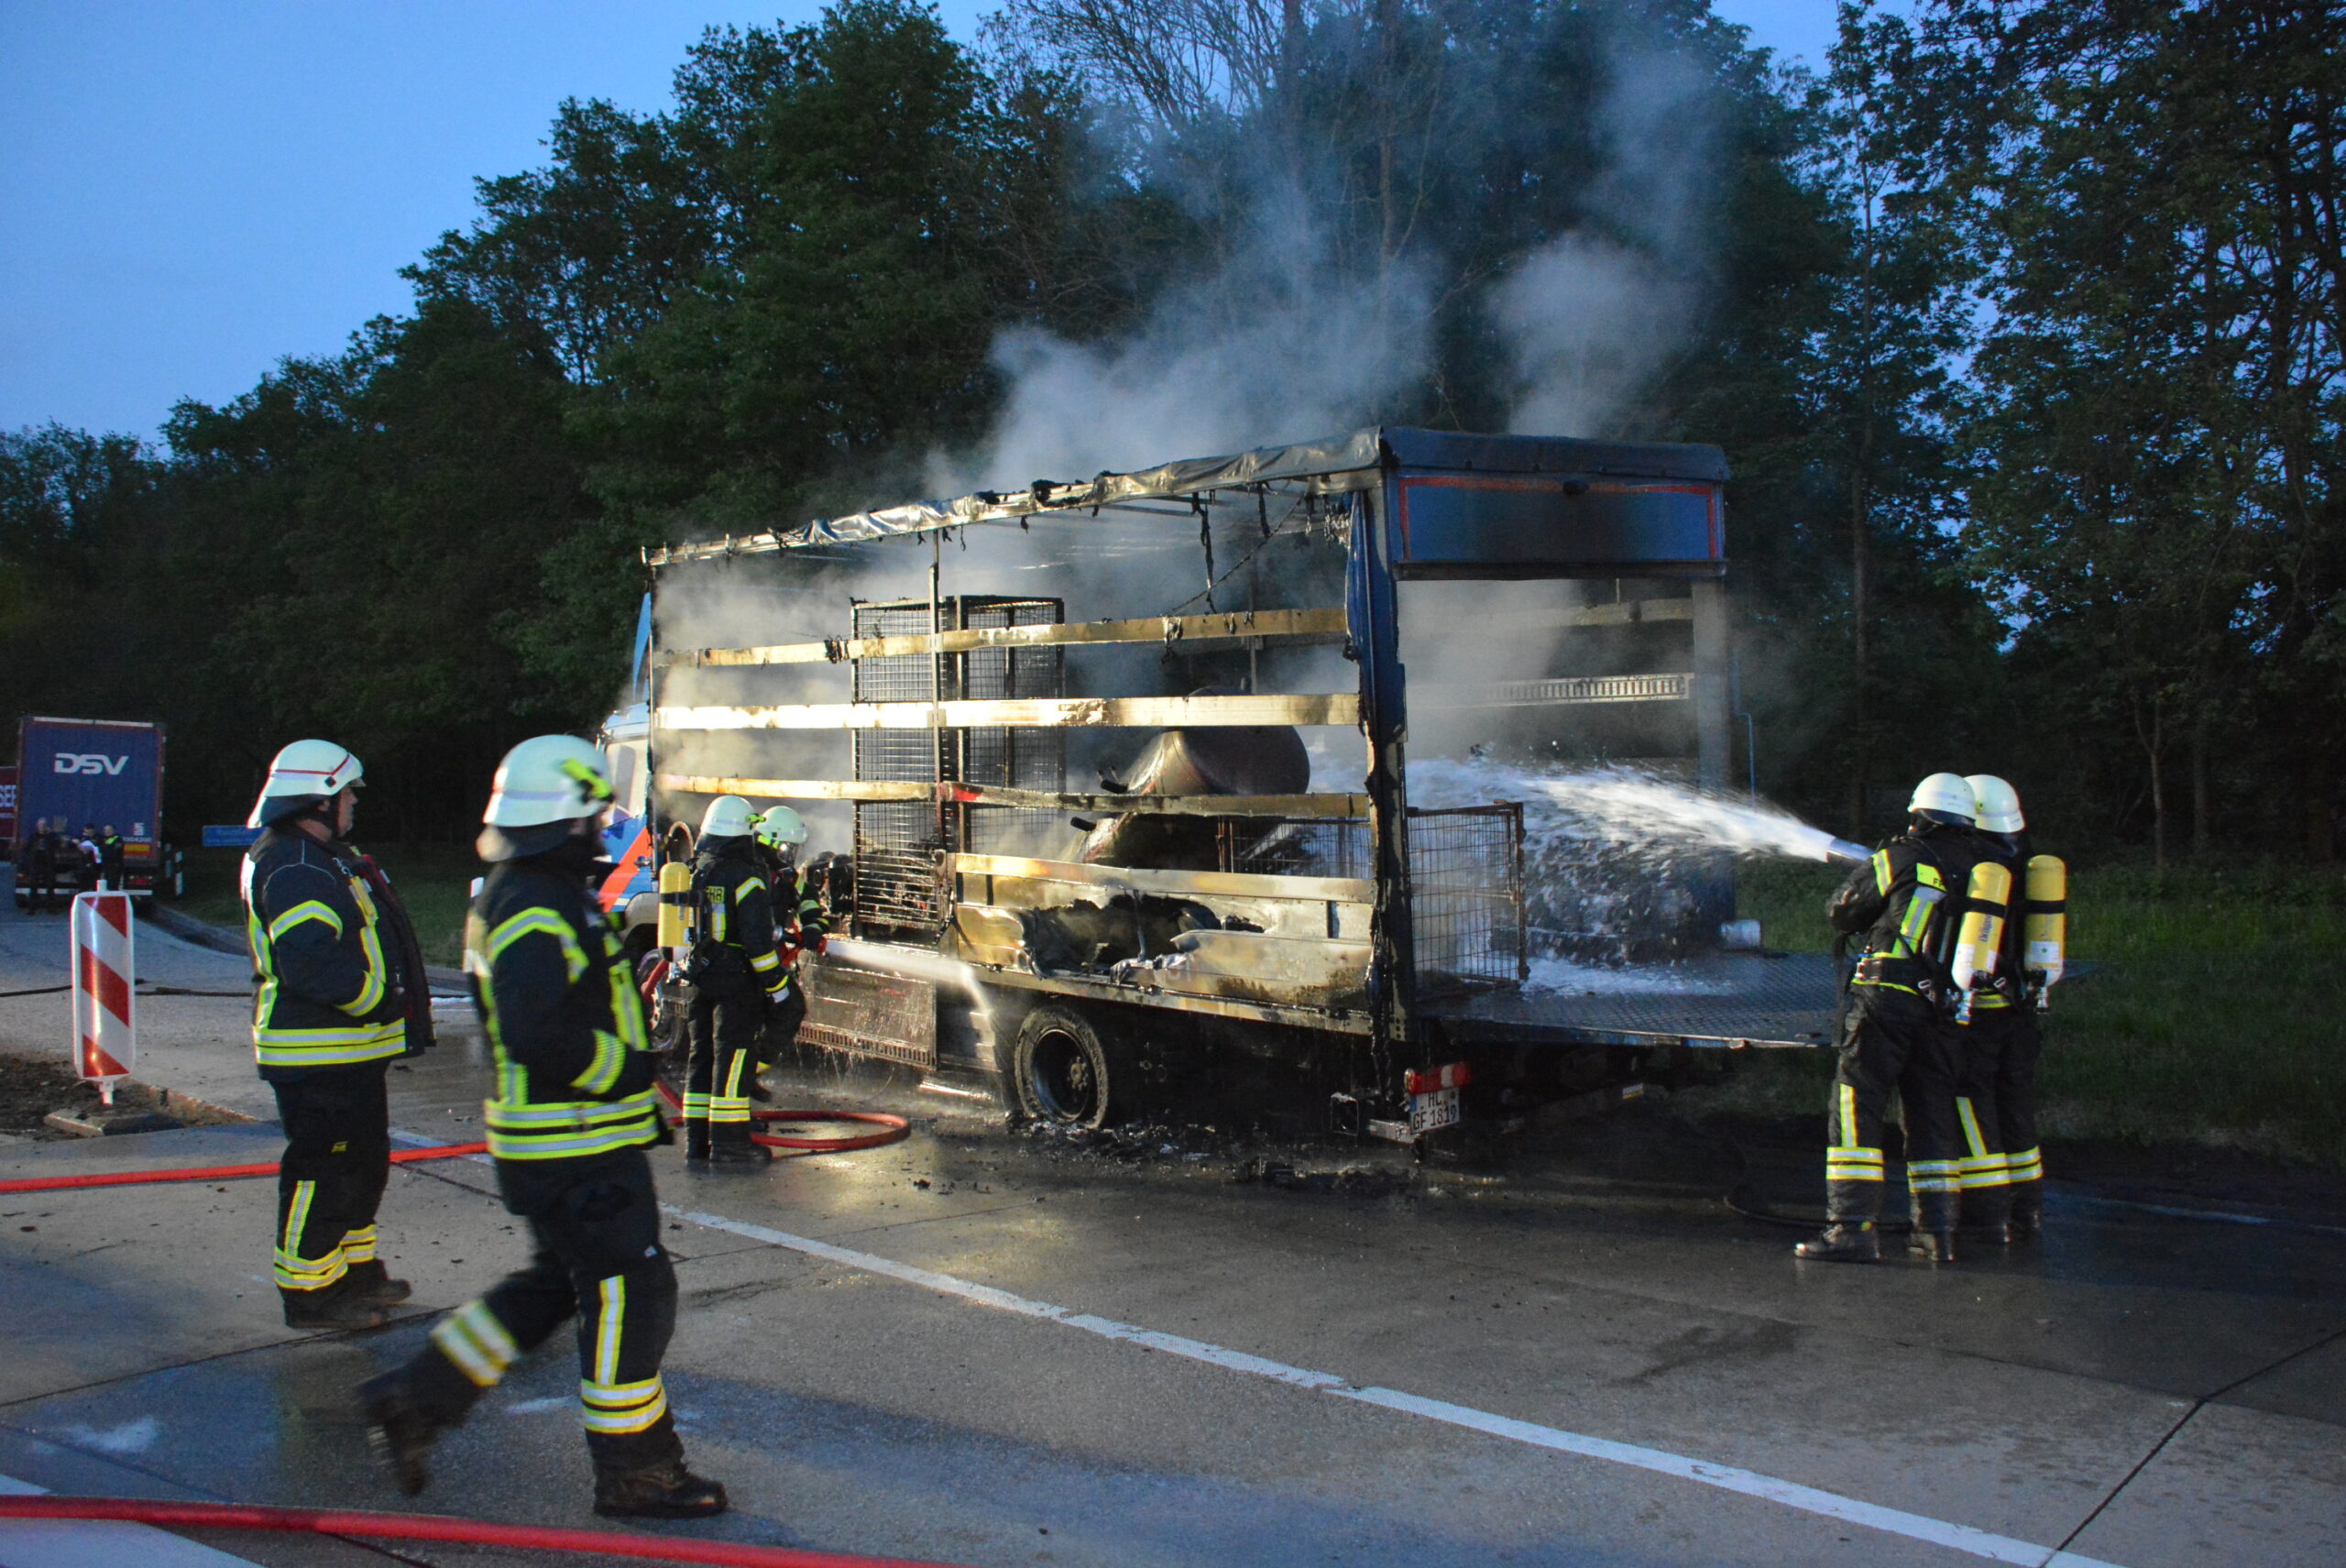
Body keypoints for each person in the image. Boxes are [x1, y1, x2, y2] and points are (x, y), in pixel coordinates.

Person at [358, 735, 725, 1519]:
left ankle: (418, 1397)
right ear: (565, 819)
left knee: (551, 1286)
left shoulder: (524, 892)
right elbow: (538, 1031)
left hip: (559, 1141)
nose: (602, 829)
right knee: (633, 1288)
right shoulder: (533, 905)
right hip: (577, 1142)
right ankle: (636, 1471)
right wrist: (625, 1069)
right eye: (593, 816)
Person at [241, 740, 415, 1329]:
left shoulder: (318, 857)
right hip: (318, 1051)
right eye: (347, 793)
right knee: (322, 1168)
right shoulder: (293, 865)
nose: (354, 804)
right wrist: (378, 1000)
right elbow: (311, 962)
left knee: (362, 1163)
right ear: (319, 799)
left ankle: (354, 1272)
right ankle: (311, 1293)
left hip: (349, 1050)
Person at [1797, 773, 1986, 1265]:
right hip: (1944, 1010)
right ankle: (1936, 1234)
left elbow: (1841, 912)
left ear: (1919, 814)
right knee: (1932, 1113)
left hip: (1886, 1004)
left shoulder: (1897, 858)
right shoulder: (1983, 869)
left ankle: (1851, 1230)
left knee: (1856, 1108)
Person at [1957, 774, 2050, 1242]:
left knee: (1972, 1101)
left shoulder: (1978, 867)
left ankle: (1988, 1214)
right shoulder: (2030, 860)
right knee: (2015, 1105)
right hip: (2022, 1011)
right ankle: (2026, 1210)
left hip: (1982, 1011)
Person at [681, 795, 788, 1166]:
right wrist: (778, 986)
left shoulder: (699, 867)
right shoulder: (746, 877)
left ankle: (697, 1141)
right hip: (734, 981)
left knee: (702, 1056)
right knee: (734, 1057)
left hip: (699, 976)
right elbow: (757, 943)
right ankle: (729, 1144)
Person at [748, 805, 828, 1091]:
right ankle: (742, 1079)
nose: (790, 855)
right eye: (786, 848)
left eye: (793, 849)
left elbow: (807, 899)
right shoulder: (751, 872)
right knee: (768, 1015)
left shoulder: (786, 876)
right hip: (745, 965)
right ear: (769, 841)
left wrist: (811, 928)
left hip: (768, 964)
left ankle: (750, 1073)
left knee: (788, 1010)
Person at [21, 820, 59, 913]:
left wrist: (50, 834)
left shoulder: (51, 836)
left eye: (44, 825)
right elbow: (26, 848)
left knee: (50, 886)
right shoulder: (33, 837)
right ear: (37, 826)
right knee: (33, 886)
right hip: (36, 863)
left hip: (48, 863)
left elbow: (56, 844)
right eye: (41, 825)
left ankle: (51, 908)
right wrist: (31, 857)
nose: (42, 827)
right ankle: (32, 908)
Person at [97, 825, 125, 892]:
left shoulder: (118, 840)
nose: (107, 831)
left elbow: (116, 853)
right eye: (106, 830)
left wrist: (103, 855)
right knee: (105, 886)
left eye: (109, 830)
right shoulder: (103, 840)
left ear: (113, 830)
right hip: (106, 866)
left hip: (114, 866)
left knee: (113, 886)